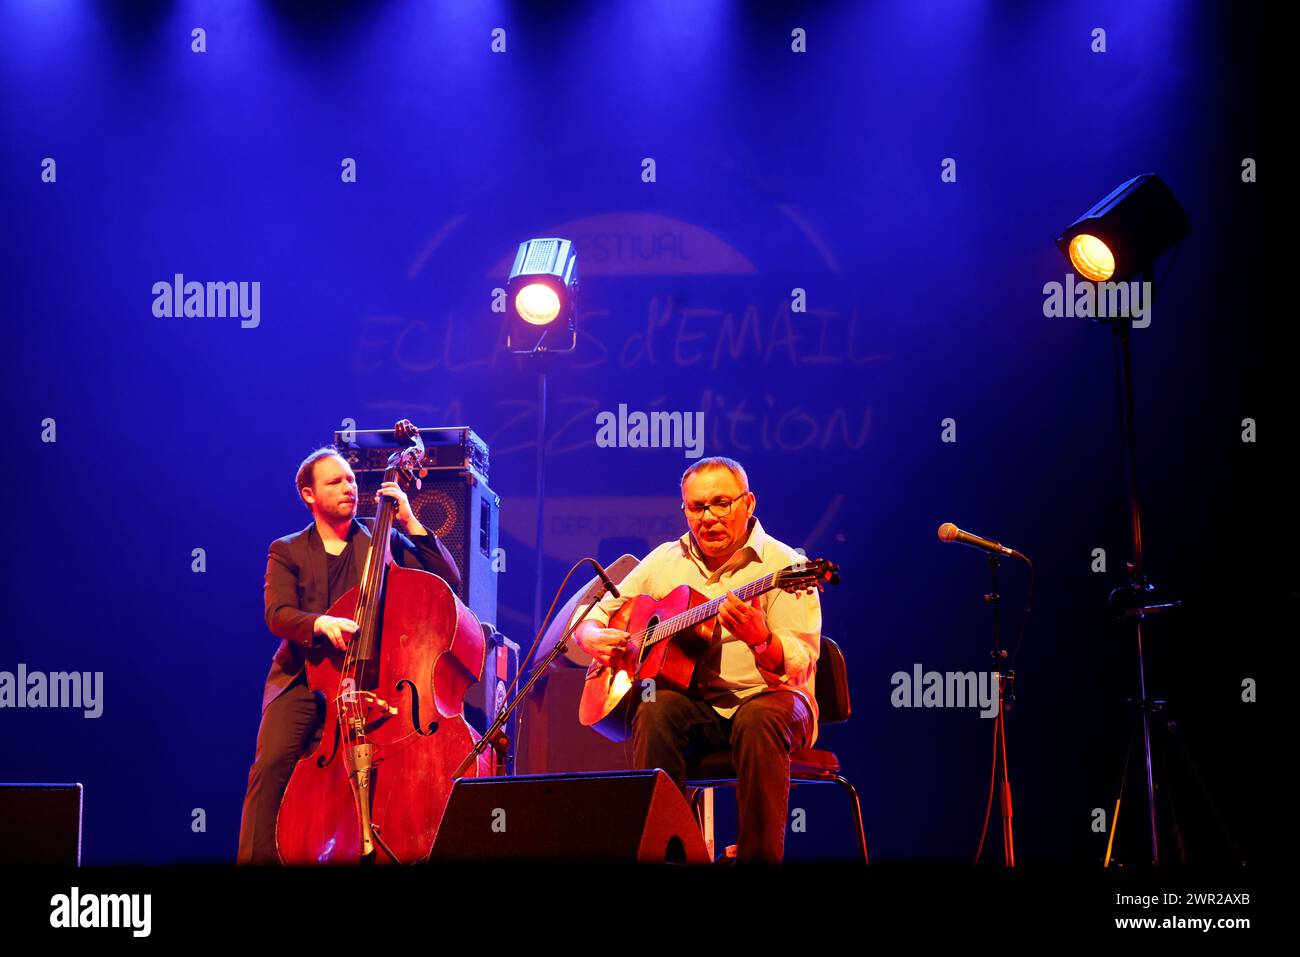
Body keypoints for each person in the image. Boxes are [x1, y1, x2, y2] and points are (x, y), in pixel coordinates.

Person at [574, 456, 820, 863]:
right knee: (654, 707)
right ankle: (667, 854)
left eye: (722, 503)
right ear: (684, 510)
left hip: (773, 700)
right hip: (700, 708)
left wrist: (762, 642)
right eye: (697, 507)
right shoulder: (665, 560)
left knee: (758, 718)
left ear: (748, 503)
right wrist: (593, 636)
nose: (709, 517)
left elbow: (800, 663)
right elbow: (596, 612)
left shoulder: (787, 566)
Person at [235, 447, 461, 865]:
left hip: (373, 680)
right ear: (308, 494)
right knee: (270, 769)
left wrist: (409, 519)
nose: (348, 488)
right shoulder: (286, 550)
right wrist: (322, 623)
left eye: (351, 480)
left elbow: (449, 580)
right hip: (304, 679)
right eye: (335, 482)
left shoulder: (383, 539)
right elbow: (278, 614)